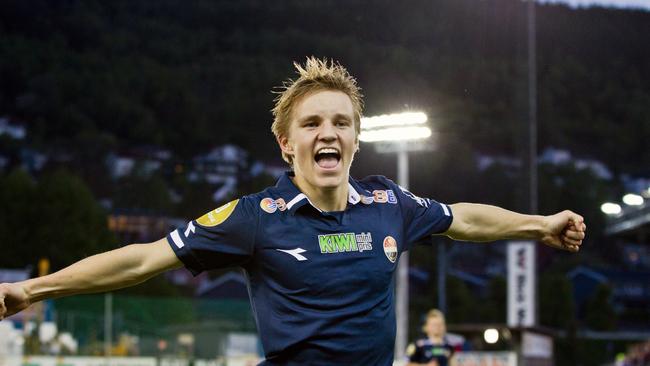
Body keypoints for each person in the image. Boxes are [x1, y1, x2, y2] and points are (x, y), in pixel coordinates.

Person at [0, 57, 586, 365]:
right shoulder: (255, 216)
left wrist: (540, 225)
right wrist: (34, 291)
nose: (327, 132)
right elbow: (144, 259)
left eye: (341, 123)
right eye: (311, 123)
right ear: (287, 144)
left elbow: (464, 218)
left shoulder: (392, 202)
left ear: (356, 138)